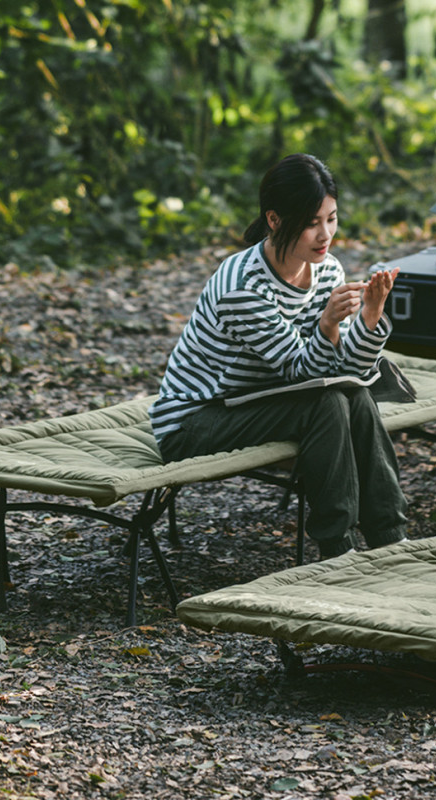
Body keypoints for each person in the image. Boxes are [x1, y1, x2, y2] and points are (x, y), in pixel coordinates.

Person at [149, 153, 408, 558]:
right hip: (195, 420)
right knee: (324, 404)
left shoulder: (327, 271)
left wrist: (370, 319)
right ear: (274, 219)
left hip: (258, 400)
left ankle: (390, 539)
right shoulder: (243, 286)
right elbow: (300, 371)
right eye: (311, 223)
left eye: (331, 218)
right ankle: (337, 551)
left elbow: (349, 373)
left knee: (354, 396)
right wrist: (326, 325)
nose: (326, 235)